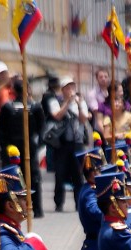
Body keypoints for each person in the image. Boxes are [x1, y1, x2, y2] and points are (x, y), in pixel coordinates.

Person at [0, 78, 46, 218]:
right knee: (32, 177)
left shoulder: (11, 107)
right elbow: (42, 129)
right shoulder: (33, 106)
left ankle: (11, 207)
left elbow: (1, 131)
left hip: (15, 147)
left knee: (13, 177)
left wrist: (5, 147)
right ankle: (36, 209)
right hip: (27, 146)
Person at [47, 77, 88, 212]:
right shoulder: (56, 101)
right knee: (60, 174)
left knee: (78, 175)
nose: (70, 89)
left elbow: (83, 119)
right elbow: (57, 115)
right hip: (62, 143)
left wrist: (79, 104)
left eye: (72, 86)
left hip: (77, 143)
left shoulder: (80, 102)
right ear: (63, 89)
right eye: (67, 87)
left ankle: (79, 203)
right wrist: (67, 102)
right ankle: (58, 203)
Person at [86, 68, 110, 133]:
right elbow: (96, 110)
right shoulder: (92, 94)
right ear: (97, 79)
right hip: (99, 127)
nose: (103, 79)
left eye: (105, 76)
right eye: (101, 77)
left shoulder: (112, 92)